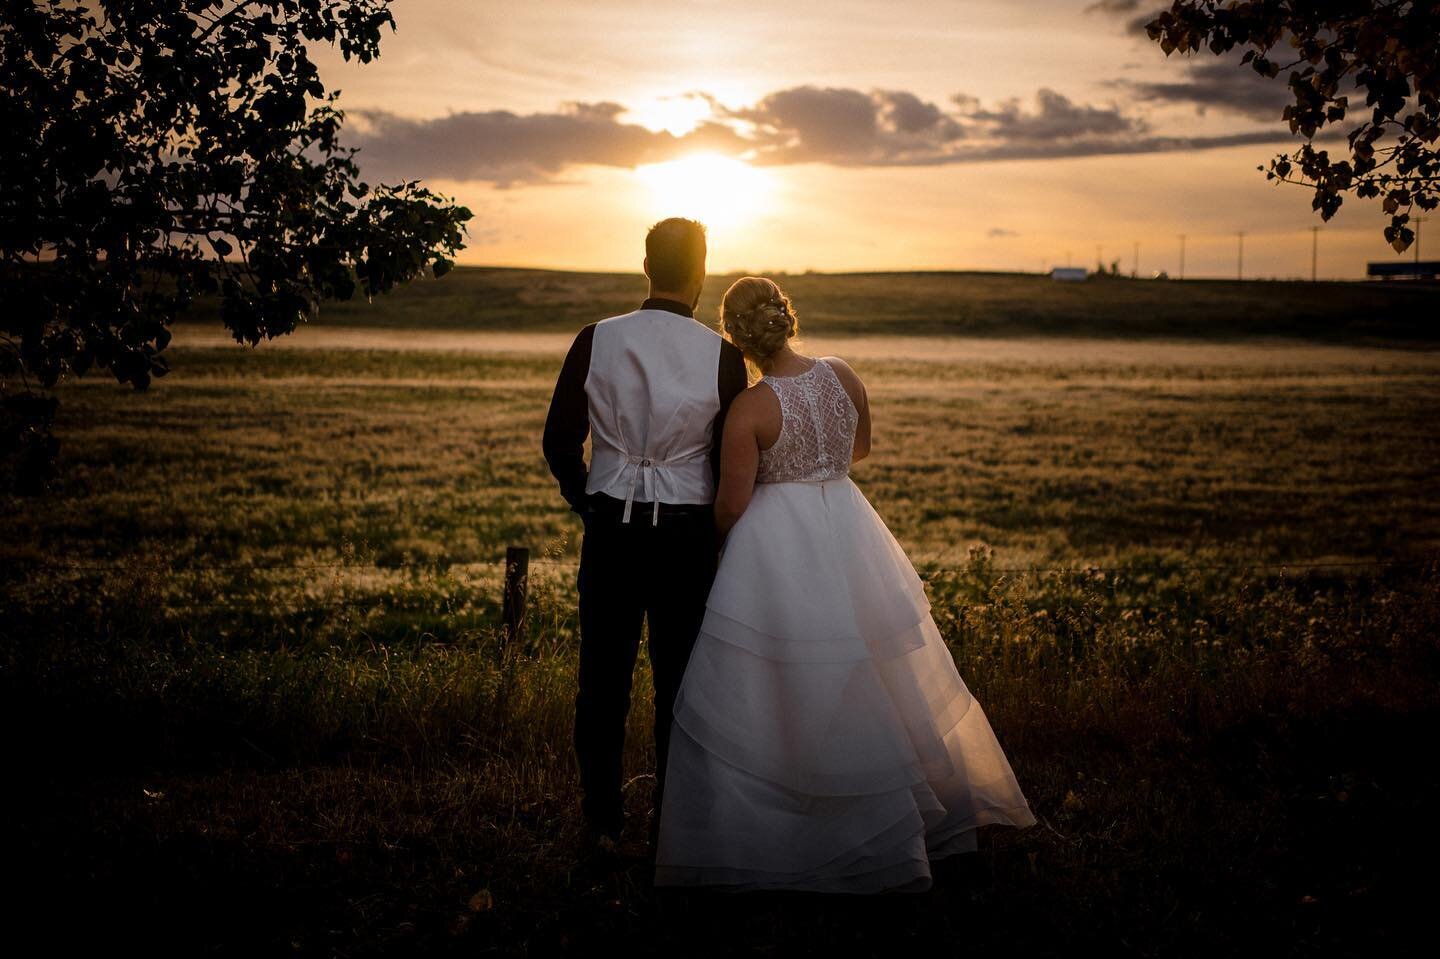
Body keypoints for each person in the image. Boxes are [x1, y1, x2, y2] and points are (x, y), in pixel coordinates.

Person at [652, 276, 1037, 893]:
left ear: (734, 337)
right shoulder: (843, 374)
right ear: (786, 316)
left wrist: (724, 532)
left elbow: (730, 504)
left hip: (778, 549)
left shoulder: (749, 408)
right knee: (875, 672)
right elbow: (859, 449)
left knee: (788, 679)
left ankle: (798, 827)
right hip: (851, 529)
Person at [542, 218, 749, 863]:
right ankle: (674, 825)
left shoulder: (595, 339)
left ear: (645, 265)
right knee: (681, 683)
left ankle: (602, 822)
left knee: (601, 679)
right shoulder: (721, 355)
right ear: (702, 271)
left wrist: (592, 501)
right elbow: (723, 460)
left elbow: (558, 441)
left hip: (612, 527)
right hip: (687, 537)